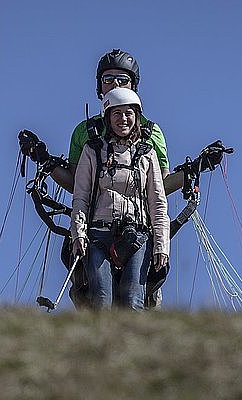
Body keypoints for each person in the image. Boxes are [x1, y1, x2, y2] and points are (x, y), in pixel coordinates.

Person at [70, 88, 169, 310]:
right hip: (97, 236)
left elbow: (158, 203)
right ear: (108, 117)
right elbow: (81, 197)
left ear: (136, 118)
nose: (123, 119)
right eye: (117, 114)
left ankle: (135, 344)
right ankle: (100, 344)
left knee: (134, 299)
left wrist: (161, 246)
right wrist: (79, 234)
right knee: (101, 299)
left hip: (137, 237)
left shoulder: (147, 154)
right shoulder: (92, 151)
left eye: (128, 114)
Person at [49, 49, 184, 195]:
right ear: (100, 86)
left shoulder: (151, 131)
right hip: (94, 215)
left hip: (139, 215)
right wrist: (45, 160)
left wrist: (192, 171)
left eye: (123, 79)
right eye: (108, 79)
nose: (115, 84)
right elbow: (76, 185)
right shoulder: (84, 131)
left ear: (133, 85)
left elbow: (161, 187)